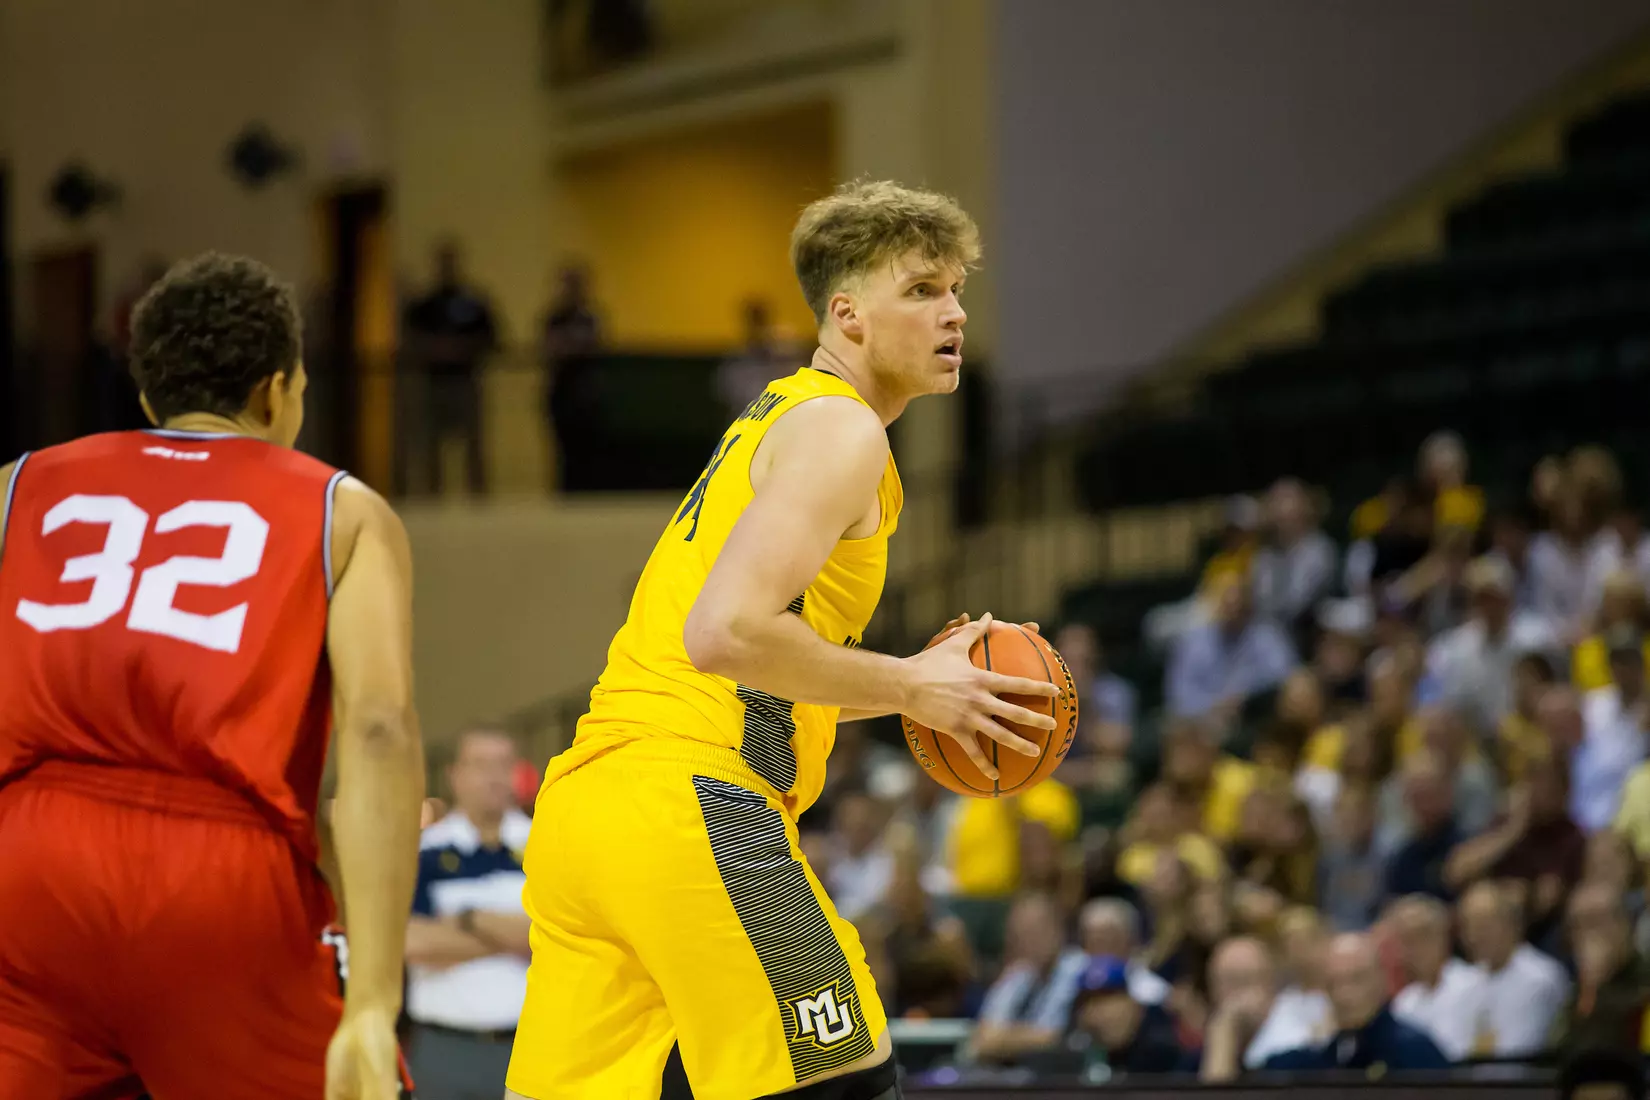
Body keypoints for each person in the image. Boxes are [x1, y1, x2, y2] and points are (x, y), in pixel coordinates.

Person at [505, 181, 1060, 1100]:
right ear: (847, 314)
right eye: (922, 290)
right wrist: (912, 687)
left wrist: (923, 686)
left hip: (588, 814)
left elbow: (756, 667)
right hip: (692, 801)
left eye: (956, 290)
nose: (954, 312)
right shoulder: (843, 430)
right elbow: (725, 633)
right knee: (844, 1080)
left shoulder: (780, 416)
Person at [0, 253, 423, 1100]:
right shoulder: (343, 511)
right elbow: (378, 730)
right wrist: (374, 1001)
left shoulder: (19, 485)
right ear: (276, 391)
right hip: (219, 876)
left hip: (27, 862)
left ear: (149, 395)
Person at [404, 728, 533, 1100]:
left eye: (503, 764)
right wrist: (517, 936)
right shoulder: (423, 851)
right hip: (446, 1050)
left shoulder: (546, 843)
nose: (493, 776)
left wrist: (468, 919)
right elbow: (412, 943)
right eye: (480, 764)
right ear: (454, 775)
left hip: (531, 1047)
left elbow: (562, 937)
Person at [1263, 933, 1450, 1072]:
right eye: (1333, 983)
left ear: (1382, 981)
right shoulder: (1332, 1054)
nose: (1343, 994)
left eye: (1356, 979)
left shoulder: (1413, 1050)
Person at [1457, 881, 1570, 1058]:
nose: (1474, 936)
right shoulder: (1467, 981)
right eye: (1468, 927)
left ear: (1512, 925)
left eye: (1484, 926)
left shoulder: (1539, 979)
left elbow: (1521, 1051)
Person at [1198, 936, 1332, 1081]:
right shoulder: (1197, 1055)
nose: (1238, 995)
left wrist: (1225, 1034)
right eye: (1230, 981)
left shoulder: (1298, 1045)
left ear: (1271, 983)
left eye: (1246, 980)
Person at [1388, 895, 1485, 1061]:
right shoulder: (1404, 1003)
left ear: (1444, 935)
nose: (1415, 948)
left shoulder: (1476, 984)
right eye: (1407, 940)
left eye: (1422, 935)